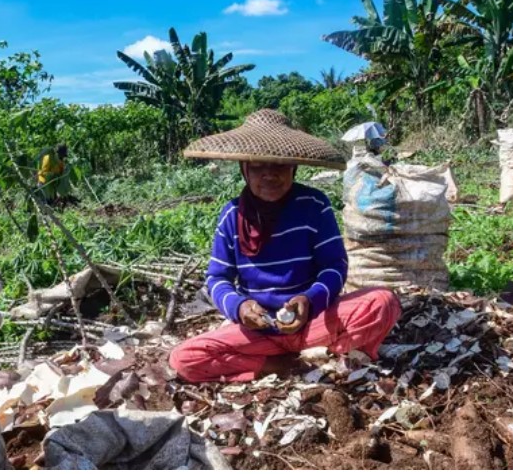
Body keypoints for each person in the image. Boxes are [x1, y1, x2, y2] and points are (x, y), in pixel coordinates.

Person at [169, 109, 402, 383]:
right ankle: (280, 365)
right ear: (244, 168)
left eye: (279, 165)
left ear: (293, 167)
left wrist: (309, 300)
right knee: (184, 358)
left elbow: (334, 266)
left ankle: (325, 356)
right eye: (258, 166)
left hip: (313, 320)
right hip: (260, 331)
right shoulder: (232, 215)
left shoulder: (314, 205)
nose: (269, 175)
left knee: (382, 302)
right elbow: (218, 278)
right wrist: (241, 308)